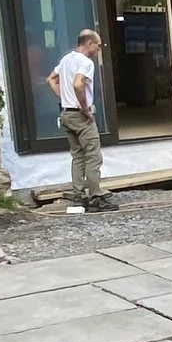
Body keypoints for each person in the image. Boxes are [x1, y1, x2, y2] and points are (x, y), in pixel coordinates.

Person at [48, 29, 112, 211]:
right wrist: (85, 109)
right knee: (93, 155)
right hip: (79, 115)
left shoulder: (66, 59)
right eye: (98, 45)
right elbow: (78, 84)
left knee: (77, 156)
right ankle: (96, 196)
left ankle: (78, 195)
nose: (99, 49)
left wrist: (64, 98)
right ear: (89, 43)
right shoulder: (85, 62)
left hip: (66, 114)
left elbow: (51, 79)